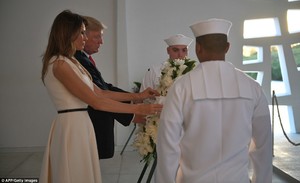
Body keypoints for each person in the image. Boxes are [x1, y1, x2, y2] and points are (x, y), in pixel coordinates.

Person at [39, 10, 162, 183]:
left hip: (82, 123)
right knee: (73, 173)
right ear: (68, 33)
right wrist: (139, 108)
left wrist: (140, 95)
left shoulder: (71, 61)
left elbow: (101, 92)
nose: (84, 37)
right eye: (81, 32)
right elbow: (97, 102)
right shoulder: (59, 64)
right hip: (72, 126)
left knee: (83, 173)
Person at [155, 18, 272, 183]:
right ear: (227, 47)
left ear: (198, 47)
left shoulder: (181, 87)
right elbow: (263, 146)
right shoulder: (253, 87)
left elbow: (168, 146)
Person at [74, 16, 136, 159]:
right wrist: (135, 107)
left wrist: (135, 98)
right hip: (94, 119)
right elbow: (100, 94)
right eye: (97, 37)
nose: (101, 42)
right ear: (81, 35)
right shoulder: (77, 59)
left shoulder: (83, 58)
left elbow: (103, 87)